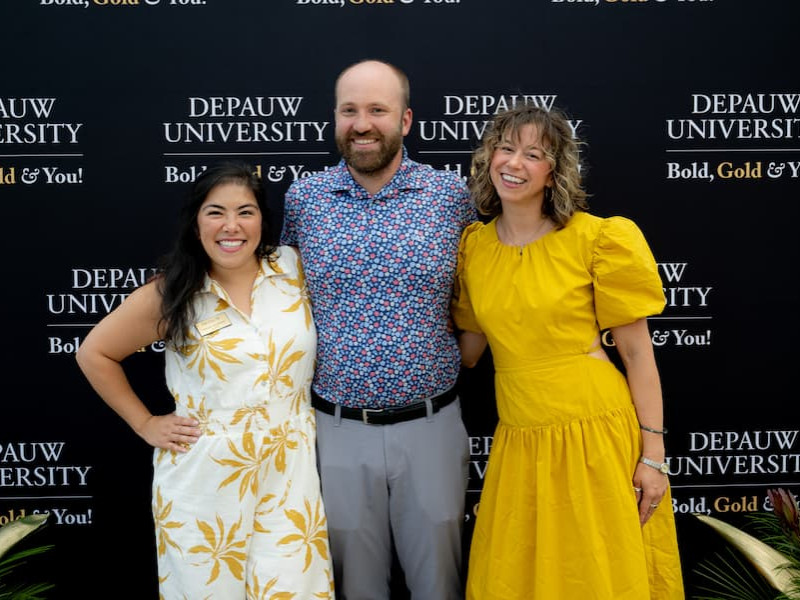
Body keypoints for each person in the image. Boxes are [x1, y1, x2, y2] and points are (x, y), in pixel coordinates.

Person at [453, 105, 684, 599]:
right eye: (506, 148)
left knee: (597, 577)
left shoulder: (597, 240)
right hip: (519, 440)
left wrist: (654, 457)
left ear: (553, 171)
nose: (514, 163)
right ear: (489, 156)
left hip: (593, 436)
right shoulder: (474, 248)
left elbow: (639, 356)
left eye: (533, 154)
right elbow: (468, 351)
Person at [76, 162, 334, 599]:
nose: (231, 226)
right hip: (204, 482)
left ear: (262, 221)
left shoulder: (293, 269)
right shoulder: (172, 292)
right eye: (216, 212)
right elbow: (94, 353)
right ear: (196, 223)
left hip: (290, 476)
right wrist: (144, 423)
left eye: (245, 212)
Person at [281, 59, 476, 600]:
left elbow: (483, 295)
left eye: (377, 110)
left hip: (432, 425)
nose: (362, 123)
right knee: (353, 587)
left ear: (406, 120)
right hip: (335, 429)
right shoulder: (305, 199)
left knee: (439, 584)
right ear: (335, 118)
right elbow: (277, 295)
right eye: (349, 110)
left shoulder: (450, 198)